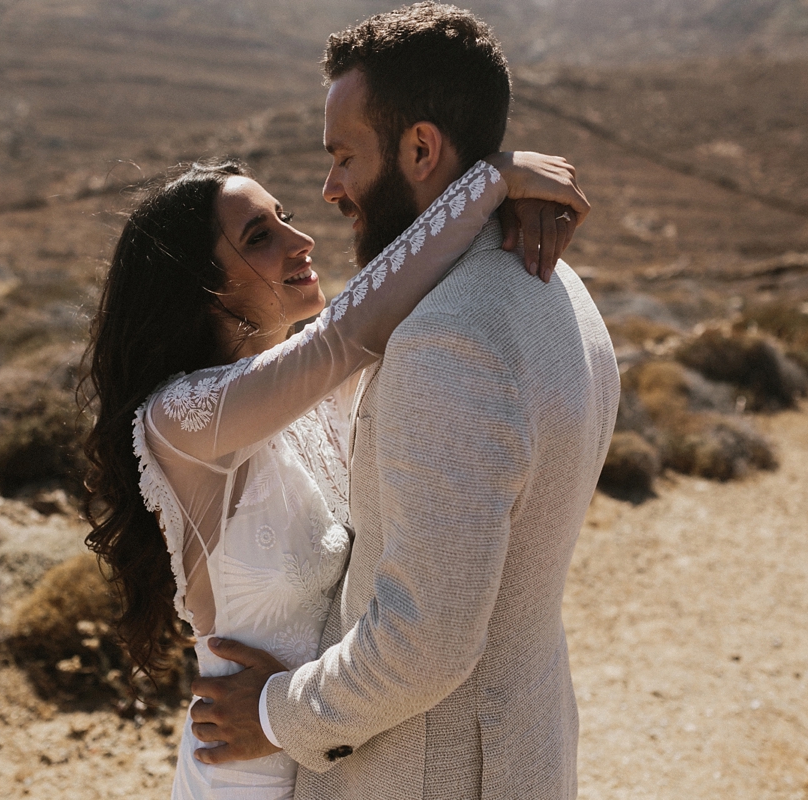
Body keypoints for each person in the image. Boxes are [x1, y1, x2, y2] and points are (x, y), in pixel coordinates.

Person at [186, 5, 621, 800]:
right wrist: (492, 187)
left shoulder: (447, 340)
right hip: (522, 740)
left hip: (429, 771)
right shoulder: (560, 282)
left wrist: (277, 715)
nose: (329, 189)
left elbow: (427, 639)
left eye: (345, 157)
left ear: (420, 148)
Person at [82, 142, 588, 798]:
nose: (301, 240)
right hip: (246, 770)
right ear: (206, 286)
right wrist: (489, 180)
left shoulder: (321, 391)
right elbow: (352, 330)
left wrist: (512, 217)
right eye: (261, 236)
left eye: (287, 216)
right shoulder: (179, 420)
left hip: (333, 752)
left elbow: (404, 300)